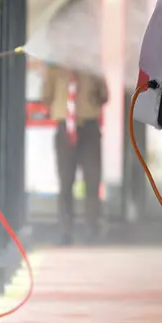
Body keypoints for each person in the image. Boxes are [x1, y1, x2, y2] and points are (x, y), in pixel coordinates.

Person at [41, 63, 109, 245]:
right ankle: (66, 231)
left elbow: (104, 95)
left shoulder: (92, 66)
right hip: (65, 129)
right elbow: (46, 97)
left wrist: (91, 97)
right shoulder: (54, 68)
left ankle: (92, 229)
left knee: (92, 181)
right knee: (65, 182)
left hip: (89, 127)